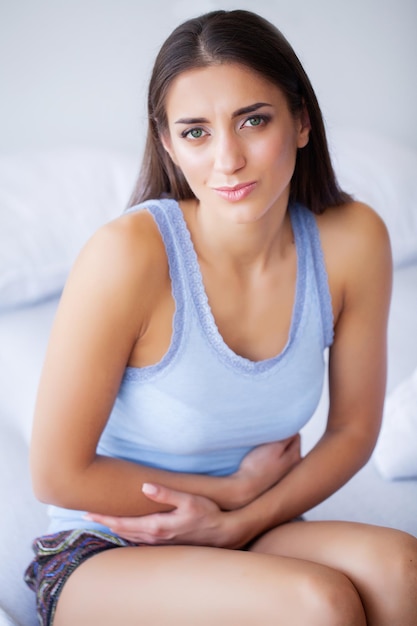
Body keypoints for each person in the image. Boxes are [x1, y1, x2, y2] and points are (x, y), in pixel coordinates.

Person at [25, 9, 417, 626]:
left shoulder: (353, 240)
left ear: (302, 122)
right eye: (196, 132)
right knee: (321, 604)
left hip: (256, 525)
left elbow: (352, 432)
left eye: (253, 121)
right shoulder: (128, 254)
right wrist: (229, 493)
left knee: (403, 568)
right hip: (109, 549)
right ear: (167, 144)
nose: (228, 159)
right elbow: (57, 474)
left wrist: (240, 520)